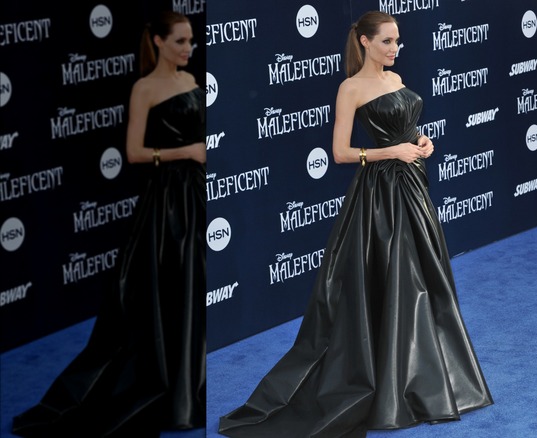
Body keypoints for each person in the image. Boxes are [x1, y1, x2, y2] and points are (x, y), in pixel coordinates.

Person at [219, 10, 493, 438]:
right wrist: (392, 152)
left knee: (427, 277)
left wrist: (422, 142)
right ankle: (390, 386)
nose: (394, 48)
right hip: (379, 195)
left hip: (414, 188)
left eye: (398, 41)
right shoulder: (350, 88)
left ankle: (427, 381)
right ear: (364, 42)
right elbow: (342, 153)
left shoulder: (397, 80)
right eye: (386, 41)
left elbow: (409, 130)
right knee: (395, 279)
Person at [12, 11, 206, 437]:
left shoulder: (192, 83)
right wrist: (186, 152)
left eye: (190, 40)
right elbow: (135, 153)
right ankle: (156, 387)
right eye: (179, 41)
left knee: (189, 290)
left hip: (194, 195)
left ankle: (187, 388)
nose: (188, 48)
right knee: (154, 294)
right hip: (163, 203)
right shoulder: (144, 88)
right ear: (157, 42)